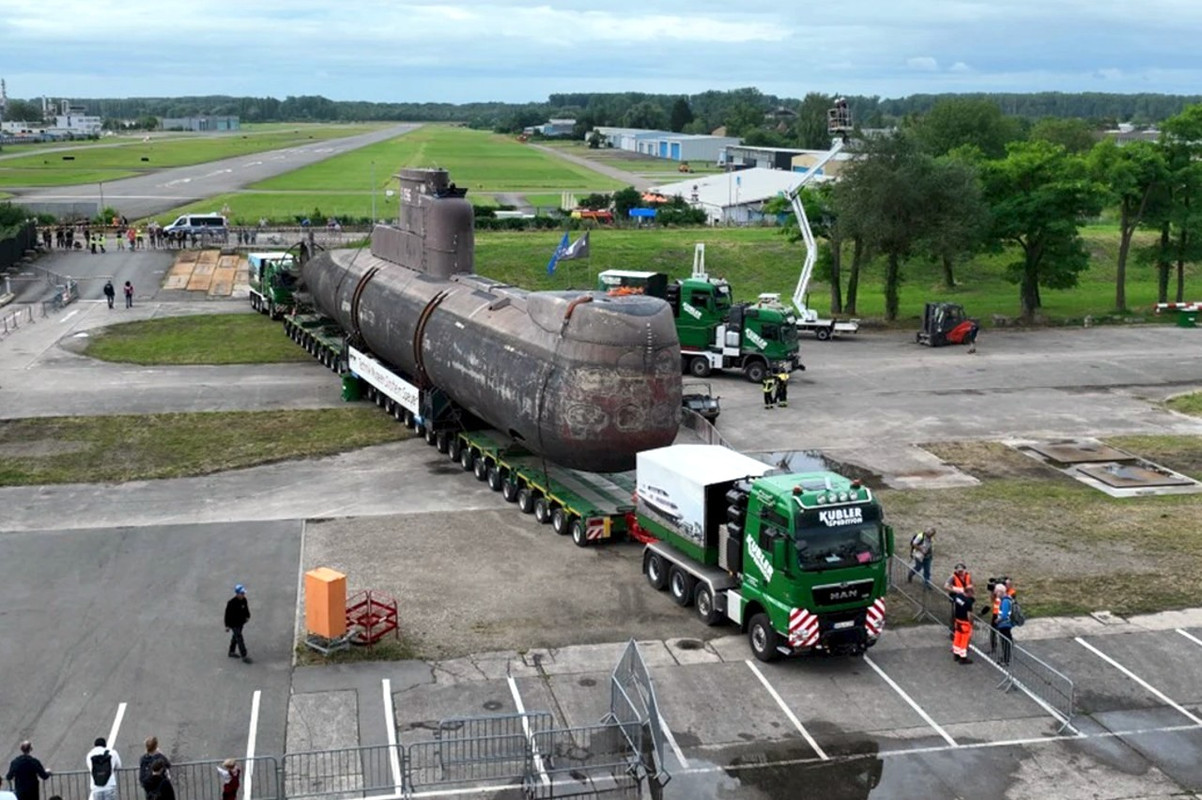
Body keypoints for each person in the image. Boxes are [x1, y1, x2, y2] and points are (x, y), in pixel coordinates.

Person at [944, 562, 974, 633]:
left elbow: (971, 585)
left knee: (967, 610)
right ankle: (953, 627)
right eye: (959, 571)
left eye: (962, 571)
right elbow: (945, 586)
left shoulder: (968, 576)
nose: (960, 572)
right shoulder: (953, 577)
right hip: (956, 596)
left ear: (964, 570)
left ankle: (966, 624)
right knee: (955, 612)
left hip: (966, 596)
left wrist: (969, 591)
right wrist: (955, 590)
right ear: (956, 570)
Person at [225, 584, 251, 661]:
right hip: (234, 624)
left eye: (243, 593)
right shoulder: (231, 603)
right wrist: (227, 625)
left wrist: (248, 616)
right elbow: (227, 615)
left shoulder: (244, 600)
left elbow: (246, 609)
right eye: (242, 593)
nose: (243, 595)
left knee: (235, 637)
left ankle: (231, 651)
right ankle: (244, 655)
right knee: (239, 638)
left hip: (241, 622)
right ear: (237, 593)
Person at [952, 586, 975, 664]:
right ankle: (963, 657)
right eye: (972, 592)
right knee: (964, 640)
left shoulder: (958, 596)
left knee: (957, 638)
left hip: (957, 621)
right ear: (969, 592)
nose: (973, 594)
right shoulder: (968, 602)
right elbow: (969, 615)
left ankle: (956, 654)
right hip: (965, 623)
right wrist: (971, 622)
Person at [995, 578, 1015, 666]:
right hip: (1004, 624)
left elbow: (1004, 615)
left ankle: (1006, 660)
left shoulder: (1005, 601)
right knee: (1005, 642)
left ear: (1001, 592)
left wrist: (997, 620)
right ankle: (1005, 657)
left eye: (996, 592)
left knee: (1005, 643)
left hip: (1004, 625)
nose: (995, 593)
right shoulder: (1005, 600)